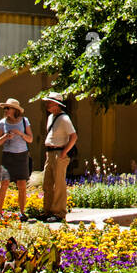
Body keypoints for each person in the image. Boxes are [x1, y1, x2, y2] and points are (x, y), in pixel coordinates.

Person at [39, 91, 77, 223]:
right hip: (50, 152)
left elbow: (73, 136)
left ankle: (59, 212)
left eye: (49, 102)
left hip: (59, 153)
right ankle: (47, 210)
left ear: (56, 104)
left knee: (59, 184)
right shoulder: (50, 117)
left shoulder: (64, 118)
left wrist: (64, 152)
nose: (47, 105)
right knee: (47, 183)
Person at [0, 97, 33, 220]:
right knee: (4, 183)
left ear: (15, 110)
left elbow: (30, 139)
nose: (5, 110)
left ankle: (22, 212)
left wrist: (20, 134)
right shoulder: (2, 123)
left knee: (21, 184)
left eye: (7, 108)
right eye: (5, 108)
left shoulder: (24, 121)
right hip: (8, 156)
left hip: (21, 155)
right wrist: (6, 136)